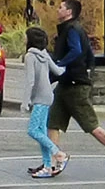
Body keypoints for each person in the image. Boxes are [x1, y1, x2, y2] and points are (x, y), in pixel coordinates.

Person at [47, 0, 105, 172]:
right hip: (65, 84)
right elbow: (89, 55)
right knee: (52, 123)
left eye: (61, 7)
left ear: (69, 12)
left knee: (90, 125)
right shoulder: (70, 30)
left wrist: (59, 65)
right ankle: (51, 162)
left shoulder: (72, 29)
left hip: (76, 86)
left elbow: (76, 51)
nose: (57, 9)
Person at [21, 24, 64, 179]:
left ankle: (58, 154)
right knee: (41, 131)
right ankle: (47, 165)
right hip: (48, 96)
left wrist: (25, 102)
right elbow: (58, 71)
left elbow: (30, 81)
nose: (24, 39)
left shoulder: (30, 56)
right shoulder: (44, 54)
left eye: (26, 36)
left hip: (39, 97)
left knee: (33, 130)